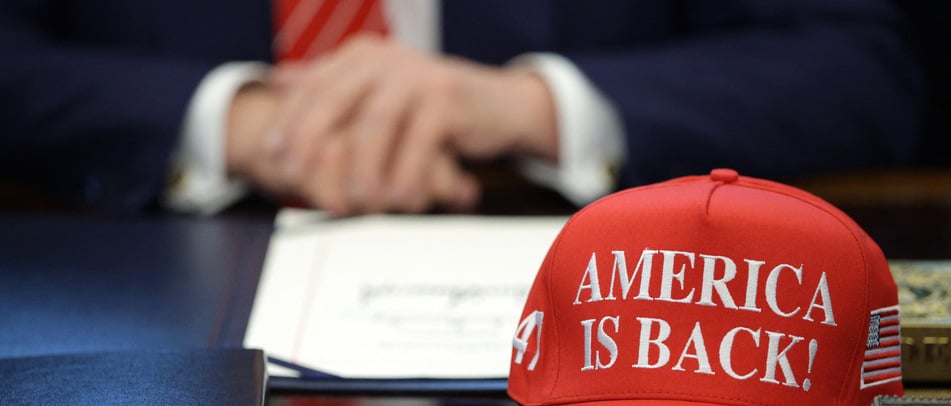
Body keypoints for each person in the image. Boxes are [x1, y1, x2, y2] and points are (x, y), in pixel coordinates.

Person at [0, 1, 925, 215]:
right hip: (130, 283)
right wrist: (237, 121)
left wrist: (532, 106)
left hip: (574, 286)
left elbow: (854, 61)